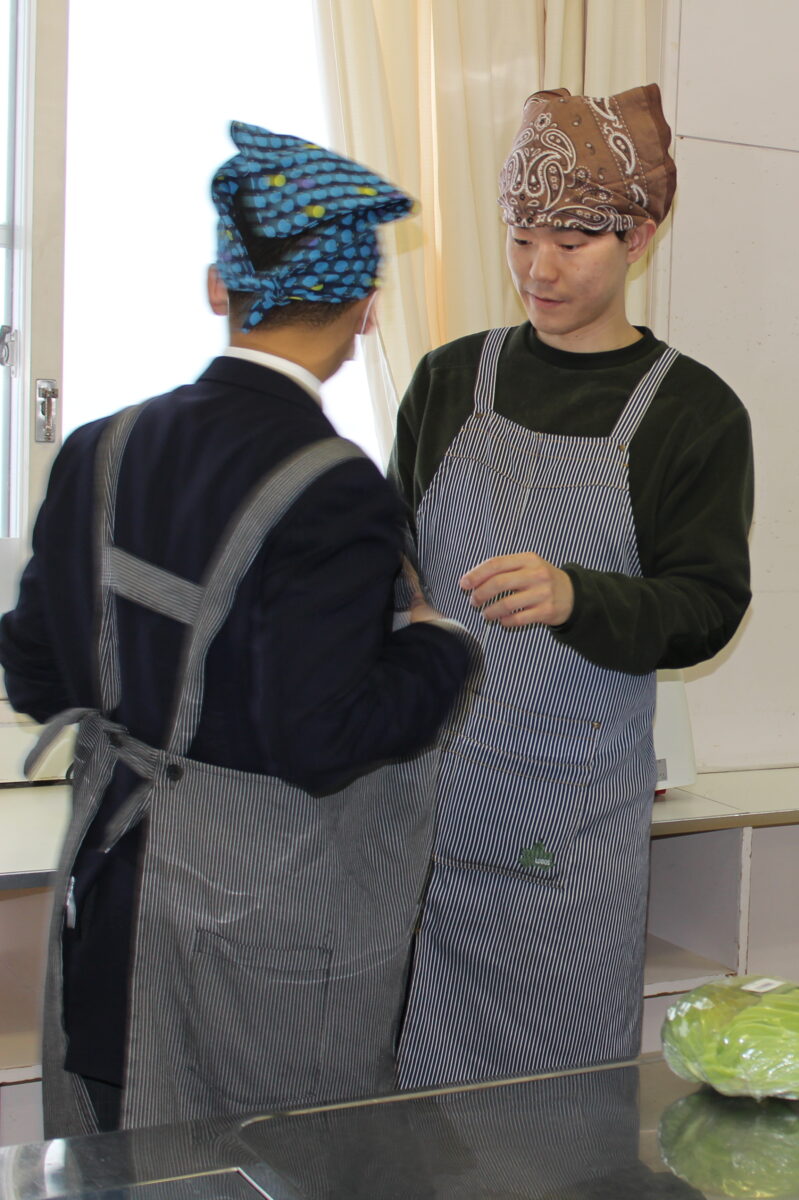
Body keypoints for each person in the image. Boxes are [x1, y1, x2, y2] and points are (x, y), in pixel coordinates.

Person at [0, 122, 476, 1135]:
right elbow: (322, 737)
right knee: (270, 1165)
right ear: (364, 309)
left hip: (112, 900)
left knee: (118, 1157)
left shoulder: (98, 448)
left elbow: (37, 674)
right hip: (261, 934)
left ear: (220, 287)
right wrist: (439, 649)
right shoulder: (338, 491)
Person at [392, 84, 753, 1088]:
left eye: (572, 242)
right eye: (521, 237)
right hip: (429, 808)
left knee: (556, 1115)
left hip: (570, 835)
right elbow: (395, 552)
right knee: (407, 1117)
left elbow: (709, 607)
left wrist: (577, 597)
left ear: (639, 236)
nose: (538, 270)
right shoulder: (447, 381)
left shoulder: (692, 412)